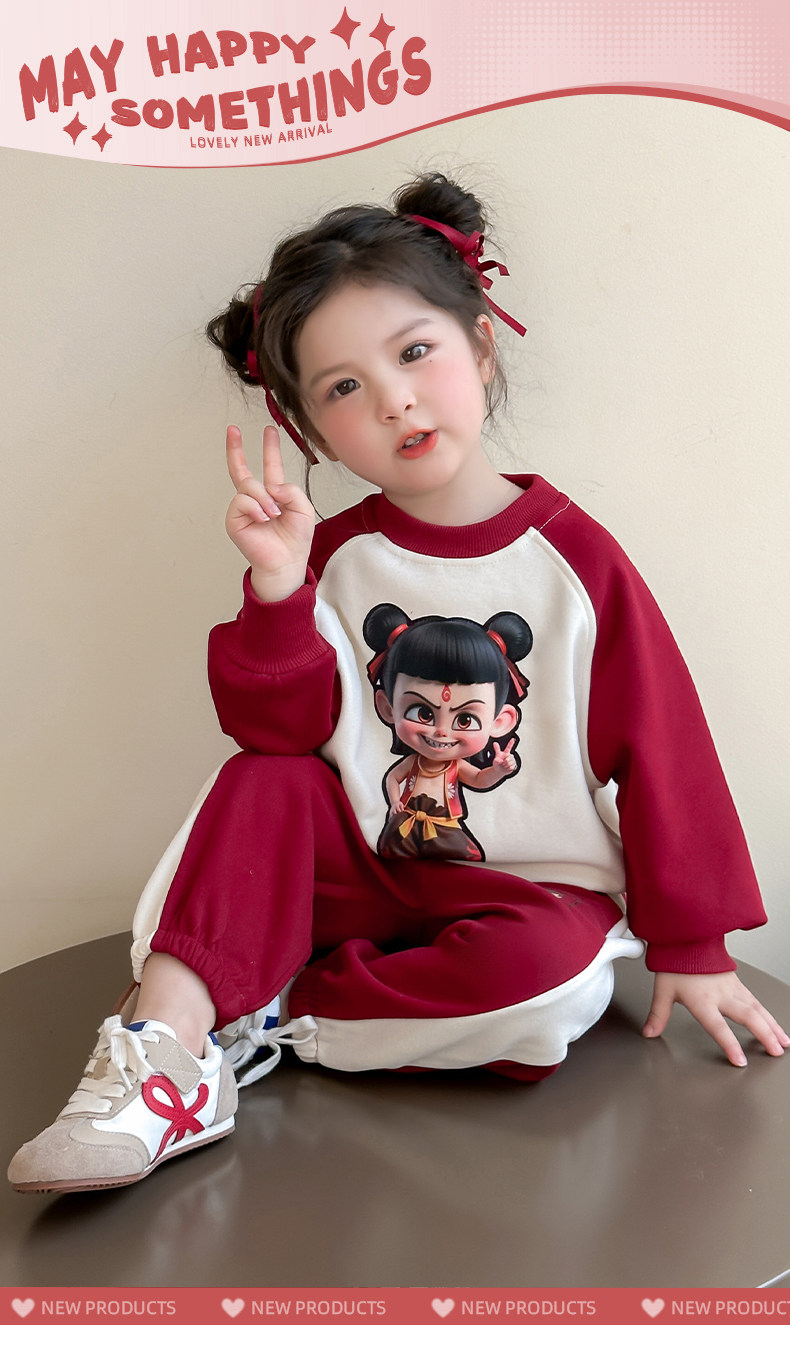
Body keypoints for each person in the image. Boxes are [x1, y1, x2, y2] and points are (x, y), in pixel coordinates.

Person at [9, 172, 788, 1195]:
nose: (392, 400)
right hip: (359, 876)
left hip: (527, 897)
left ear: (481, 345)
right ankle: (161, 1058)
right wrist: (277, 588)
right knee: (261, 778)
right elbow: (277, 732)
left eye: (414, 352)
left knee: (554, 990)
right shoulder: (332, 557)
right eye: (342, 388)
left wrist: (691, 943)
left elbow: (662, 747)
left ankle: (261, 1014)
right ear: (311, 428)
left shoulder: (574, 563)